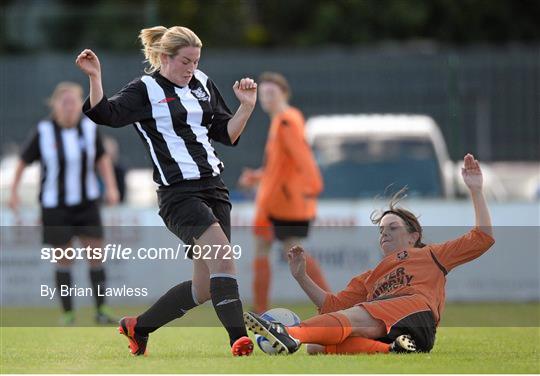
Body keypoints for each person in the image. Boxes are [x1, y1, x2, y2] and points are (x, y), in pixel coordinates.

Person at [75, 25, 257, 356]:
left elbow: (226, 134)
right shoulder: (145, 89)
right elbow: (105, 114)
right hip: (178, 195)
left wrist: (245, 107)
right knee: (224, 260)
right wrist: (95, 77)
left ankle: (138, 327)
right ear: (163, 57)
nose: (192, 69)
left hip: (215, 188)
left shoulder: (202, 83)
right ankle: (238, 341)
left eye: (196, 61)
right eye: (185, 62)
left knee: (203, 288)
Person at [244, 154, 495, 355]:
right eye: (381, 230)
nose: (384, 233)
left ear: (413, 236)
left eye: (392, 228)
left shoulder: (431, 255)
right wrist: (302, 277)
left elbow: (482, 238)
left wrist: (476, 191)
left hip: (416, 313)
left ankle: (288, 333)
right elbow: (331, 306)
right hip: (400, 333)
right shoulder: (371, 277)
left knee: (356, 317)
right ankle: (392, 350)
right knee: (316, 346)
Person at [8, 81, 120, 325]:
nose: (70, 107)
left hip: (87, 203)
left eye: (74, 102)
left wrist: (110, 187)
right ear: (55, 104)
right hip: (55, 206)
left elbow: (102, 159)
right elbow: (22, 162)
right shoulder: (44, 131)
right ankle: (68, 313)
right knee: (64, 258)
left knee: (96, 254)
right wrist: (13, 192)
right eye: (65, 102)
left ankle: (101, 311)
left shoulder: (89, 129)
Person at [238, 72, 330, 313]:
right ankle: (262, 310)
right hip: (274, 201)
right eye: (264, 94)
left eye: (272, 93)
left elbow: (303, 157)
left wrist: (313, 184)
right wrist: (257, 177)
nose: (267, 98)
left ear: (284, 94)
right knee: (275, 249)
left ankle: (329, 303)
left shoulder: (287, 120)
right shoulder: (281, 120)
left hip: (282, 203)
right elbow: (279, 166)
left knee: (291, 250)